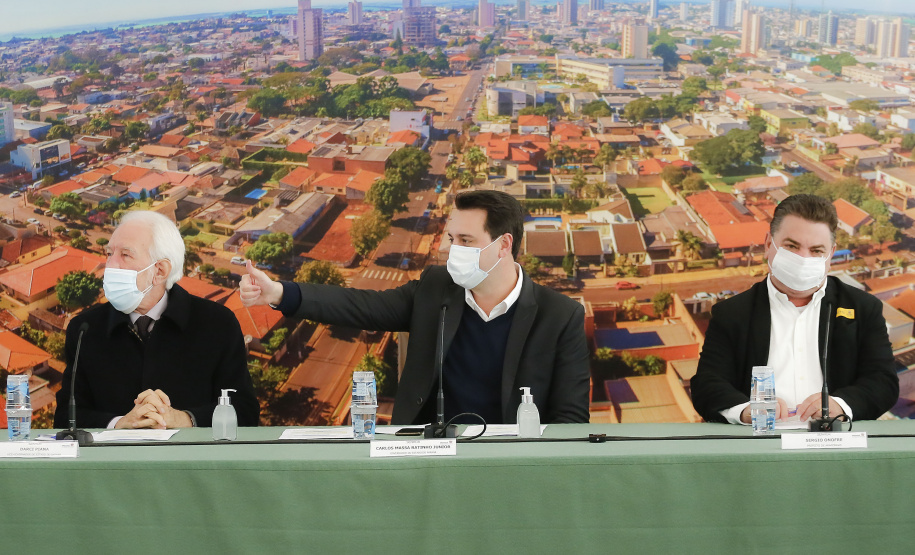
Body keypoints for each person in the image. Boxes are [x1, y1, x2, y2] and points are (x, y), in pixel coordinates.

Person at [240, 190, 590, 425]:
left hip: (508, 470)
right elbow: (362, 305)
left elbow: (570, 421)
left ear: (504, 245)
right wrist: (279, 293)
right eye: (453, 239)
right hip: (428, 455)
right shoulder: (437, 288)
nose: (454, 250)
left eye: (467, 241)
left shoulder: (560, 317)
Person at [691, 194, 899, 424]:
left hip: (834, 443)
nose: (803, 259)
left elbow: (883, 382)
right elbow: (707, 384)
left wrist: (839, 404)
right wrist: (746, 410)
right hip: (759, 445)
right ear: (769, 244)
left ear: (830, 254)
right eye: (792, 246)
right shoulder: (731, 314)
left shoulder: (863, 309)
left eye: (817, 251)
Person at [54, 211, 259, 429]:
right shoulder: (85, 328)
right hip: (116, 462)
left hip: (191, 461)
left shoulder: (217, 324)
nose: (110, 265)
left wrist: (184, 419)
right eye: (109, 254)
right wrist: (119, 425)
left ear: (159, 271)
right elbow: (65, 416)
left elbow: (244, 412)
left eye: (125, 255)